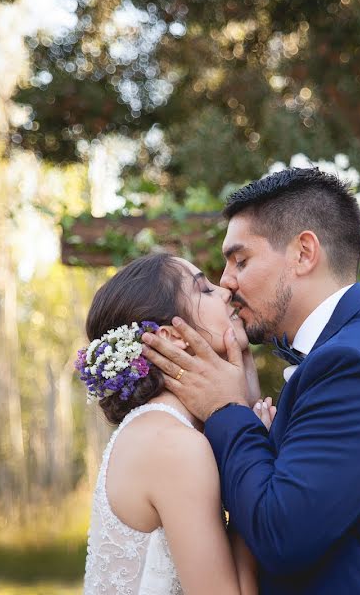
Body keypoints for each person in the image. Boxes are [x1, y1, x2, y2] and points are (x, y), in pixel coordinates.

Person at [141, 167, 360, 594]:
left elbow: (281, 535)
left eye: (240, 260)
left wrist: (226, 410)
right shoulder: (357, 343)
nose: (225, 282)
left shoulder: (352, 363)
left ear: (303, 253)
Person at [79, 253, 274, 595]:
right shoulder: (172, 445)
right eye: (205, 289)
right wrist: (257, 456)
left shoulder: (162, 431)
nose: (226, 290)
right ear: (171, 336)